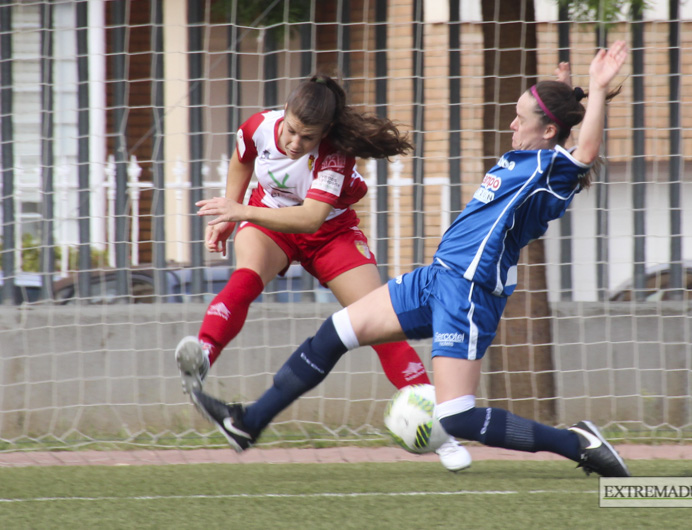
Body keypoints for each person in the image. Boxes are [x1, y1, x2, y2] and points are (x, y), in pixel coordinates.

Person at [192, 42, 631, 477]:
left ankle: (577, 442)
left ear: (550, 132)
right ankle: (248, 423)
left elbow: (584, 153)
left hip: (469, 294)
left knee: (456, 417)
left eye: (522, 116)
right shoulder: (530, 157)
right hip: (436, 279)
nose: (512, 121)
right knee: (335, 333)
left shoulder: (549, 172)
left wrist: (593, 89)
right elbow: (559, 135)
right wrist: (567, 95)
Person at [175, 74, 471, 471]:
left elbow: (312, 218)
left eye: (308, 138)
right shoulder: (258, 127)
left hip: (330, 233)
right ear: (285, 114)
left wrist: (239, 210)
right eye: (292, 131)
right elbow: (242, 158)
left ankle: (442, 434)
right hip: (269, 223)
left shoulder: (335, 155)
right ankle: (203, 355)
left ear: (326, 133)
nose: (295, 143)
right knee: (245, 278)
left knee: (381, 325)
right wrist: (231, 207)